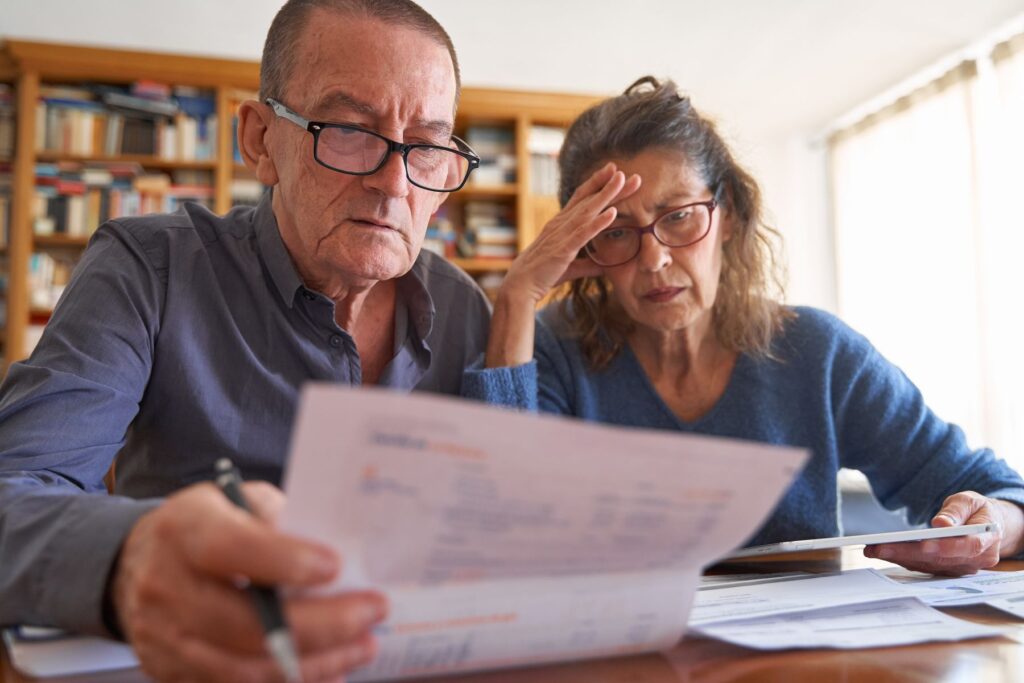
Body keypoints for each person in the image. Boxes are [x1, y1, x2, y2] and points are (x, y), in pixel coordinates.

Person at [0, 1, 490, 680]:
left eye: (429, 147)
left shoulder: (466, 308)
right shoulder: (150, 269)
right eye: (350, 130)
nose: (394, 181)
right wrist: (127, 558)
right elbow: (13, 485)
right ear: (260, 139)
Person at [465, 76, 1024, 577]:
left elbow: (994, 491)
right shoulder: (553, 350)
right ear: (580, 240)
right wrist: (516, 296)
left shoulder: (817, 352)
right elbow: (501, 524)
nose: (654, 259)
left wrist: (991, 522)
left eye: (678, 216)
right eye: (616, 230)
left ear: (726, 214)